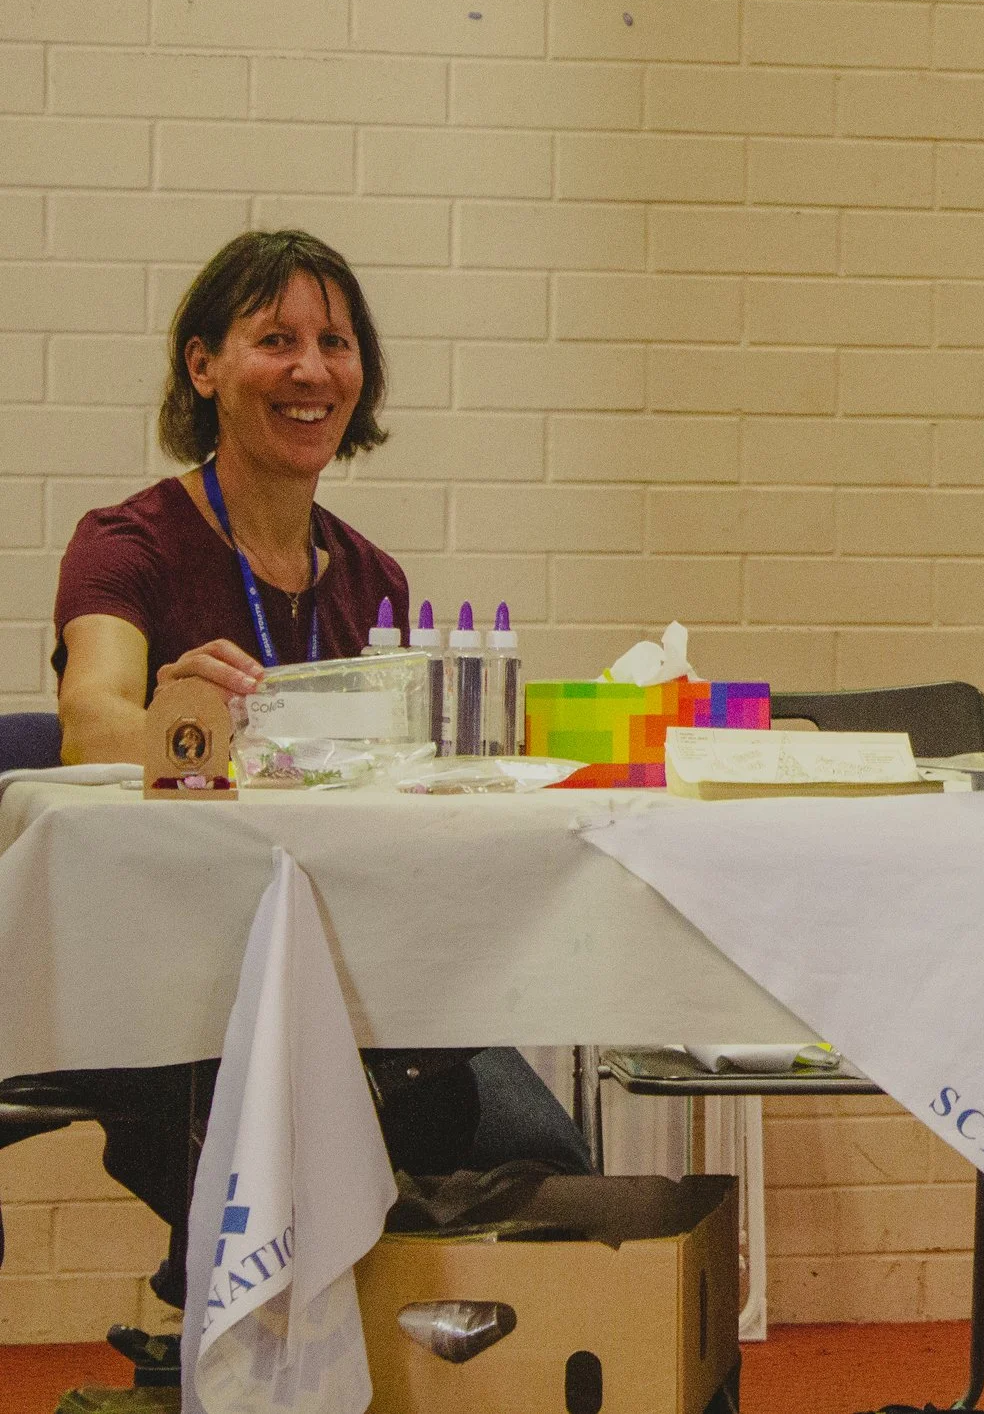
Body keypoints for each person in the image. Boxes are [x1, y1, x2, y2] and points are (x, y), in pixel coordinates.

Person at [35, 228, 590, 1307]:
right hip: (187, 996)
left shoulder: (373, 578)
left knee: (552, 1170)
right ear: (204, 367)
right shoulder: (127, 544)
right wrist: (182, 715)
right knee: (314, 1202)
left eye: (334, 342)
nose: (311, 369)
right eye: (274, 338)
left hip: (370, 983)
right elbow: (88, 722)